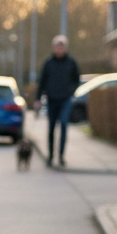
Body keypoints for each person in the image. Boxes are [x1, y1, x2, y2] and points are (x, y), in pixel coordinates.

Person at [36, 34, 81, 168]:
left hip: (65, 100)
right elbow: (42, 82)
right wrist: (38, 99)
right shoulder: (48, 63)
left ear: (65, 48)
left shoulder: (71, 63)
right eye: (57, 47)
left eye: (62, 47)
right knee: (51, 128)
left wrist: (71, 91)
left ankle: (61, 156)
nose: (59, 50)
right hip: (52, 100)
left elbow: (76, 80)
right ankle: (50, 156)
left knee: (64, 126)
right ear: (54, 48)